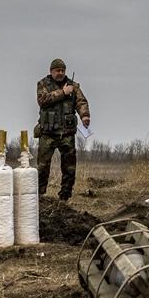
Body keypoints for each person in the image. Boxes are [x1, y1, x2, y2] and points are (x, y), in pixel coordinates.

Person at [35, 58, 90, 201]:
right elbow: (42, 100)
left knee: (69, 168)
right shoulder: (43, 84)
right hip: (47, 134)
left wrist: (85, 116)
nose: (60, 73)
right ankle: (40, 197)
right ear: (51, 71)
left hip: (66, 134)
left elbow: (81, 102)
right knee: (42, 167)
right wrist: (63, 92)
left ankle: (65, 197)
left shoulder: (73, 86)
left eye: (62, 70)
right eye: (57, 70)